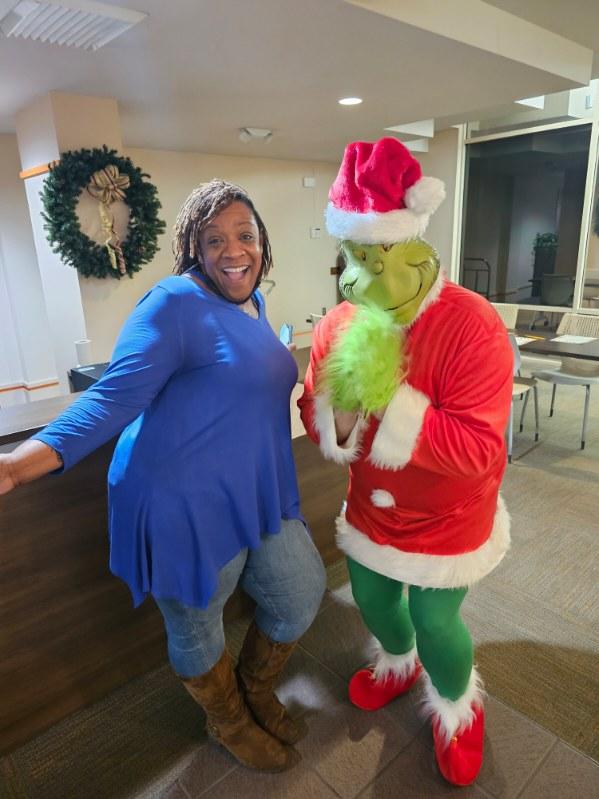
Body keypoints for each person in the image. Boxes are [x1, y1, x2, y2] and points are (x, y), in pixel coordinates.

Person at [0, 179, 326, 772]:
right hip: (181, 498)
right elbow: (110, 399)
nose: (234, 251)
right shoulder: (172, 303)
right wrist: (16, 468)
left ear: (262, 244)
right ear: (193, 247)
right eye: (216, 239)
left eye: (245, 236)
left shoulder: (251, 301)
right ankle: (227, 722)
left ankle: (253, 690)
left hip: (254, 489)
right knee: (198, 625)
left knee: (300, 593)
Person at [298, 138, 513, 786]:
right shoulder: (336, 324)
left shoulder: (472, 325)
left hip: (450, 516)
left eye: (379, 256)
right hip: (371, 511)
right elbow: (319, 418)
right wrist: (335, 414)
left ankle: (457, 708)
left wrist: (393, 403)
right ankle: (398, 663)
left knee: (432, 616)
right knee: (370, 595)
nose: (363, 278)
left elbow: (479, 450)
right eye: (354, 259)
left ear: (415, 246)